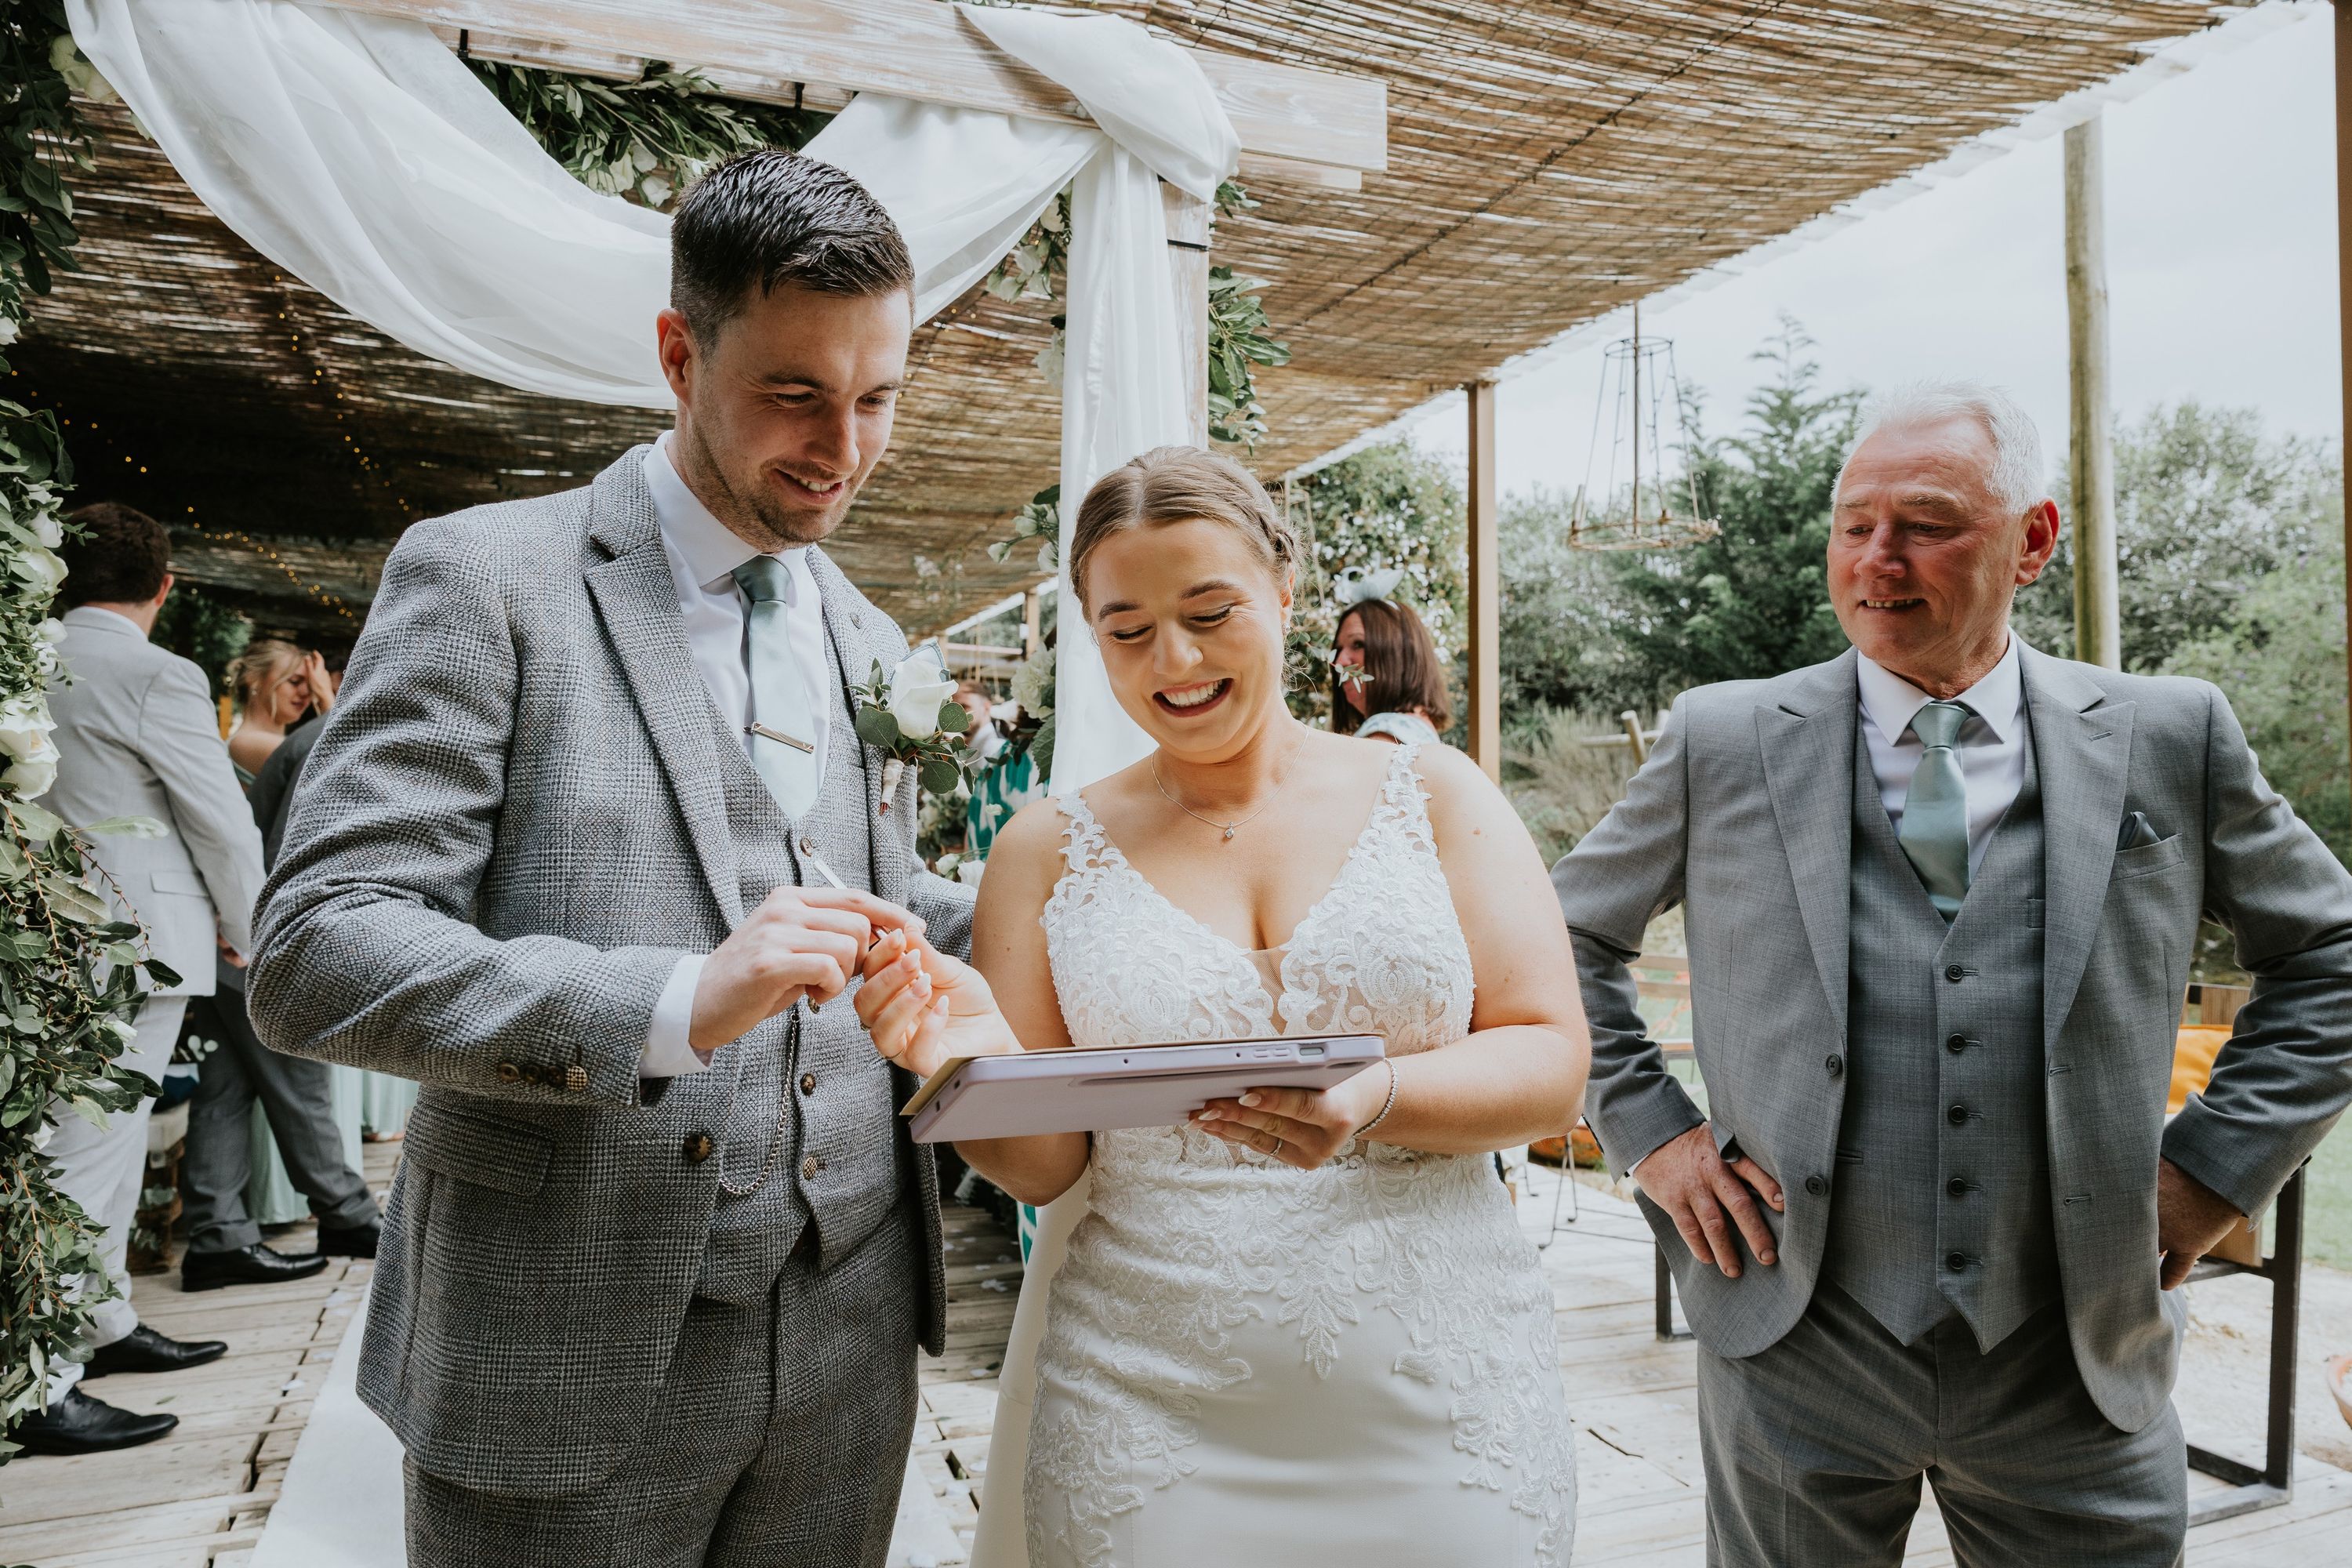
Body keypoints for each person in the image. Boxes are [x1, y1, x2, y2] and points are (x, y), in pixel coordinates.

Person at [248, 151, 975, 1567]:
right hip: (558, 1343)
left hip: (849, 1342)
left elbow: (861, 891)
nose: (843, 447)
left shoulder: (871, 639)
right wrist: (670, 1002)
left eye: (876, 398)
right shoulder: (486, 579)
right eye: (794, 393)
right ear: (676, 354)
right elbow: (320, 945)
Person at [1552, 382, 2352, 1566]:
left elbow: (2333, 957)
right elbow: (1558, 940)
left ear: (2034, 540)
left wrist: (2214, 1169)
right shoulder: (1720, 738)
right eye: (1853, 523)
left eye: (1926, 523)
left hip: (2077, 1351)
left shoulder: (2170, 734)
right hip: (1795, 1339)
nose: (1877, 559)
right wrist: (1653, 1133)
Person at [852, 446, 1590, 1566]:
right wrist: (952, 1057)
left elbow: (1549, 1059)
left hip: (1445, 1398)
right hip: (1147, 1412)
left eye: (1210, 611)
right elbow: (1046, 1164)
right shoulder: (1044, 851)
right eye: (1127, 629)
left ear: (1285, 595)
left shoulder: (1432, 795)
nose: (1175, 660)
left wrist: (1382, 1091)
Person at [15, 502, 264, 1456]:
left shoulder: (27, 657)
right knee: (91, 1152)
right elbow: (218, 819)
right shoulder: (158, 673)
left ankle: (100, 1321)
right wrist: (255, 928)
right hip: (135, 943)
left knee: (82, 1143)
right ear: (165, 587)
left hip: (41, 938)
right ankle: (46, 1379)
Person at [179, 642, 382, 1289]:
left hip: (228, 936)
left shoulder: (315, 736)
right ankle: (345, 1213)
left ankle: (216, 1237)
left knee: (223, 1092)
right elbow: (296, 852)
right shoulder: (332, 738)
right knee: (302, 1081)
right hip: (258, 937)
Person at [1330, 593, 1450, 746]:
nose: (1339, 661)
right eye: (1338, 649)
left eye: (1358, 644)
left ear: (1399, 653)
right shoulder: (1414, 729)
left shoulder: (1386, 737)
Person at [224, 638, 324, 781]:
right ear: (253, 678)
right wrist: (325, 697)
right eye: (295, 681)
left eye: (311, 685)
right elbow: (337, 767)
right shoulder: (247, 742)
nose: (306, 692)